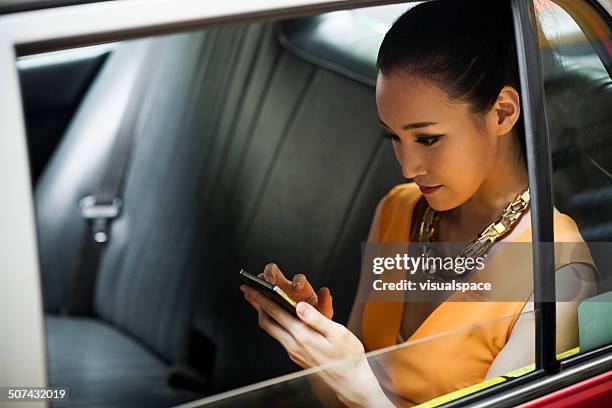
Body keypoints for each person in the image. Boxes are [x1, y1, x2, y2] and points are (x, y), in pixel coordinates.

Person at [239, 1, 598, 406]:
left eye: (427, 138)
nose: (408, 167)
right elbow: (341, 401)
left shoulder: (559, 271)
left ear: (502, 112)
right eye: (392, 137)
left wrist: (356, 377)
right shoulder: (398, 211)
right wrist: (320, 347)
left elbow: (361, 392)